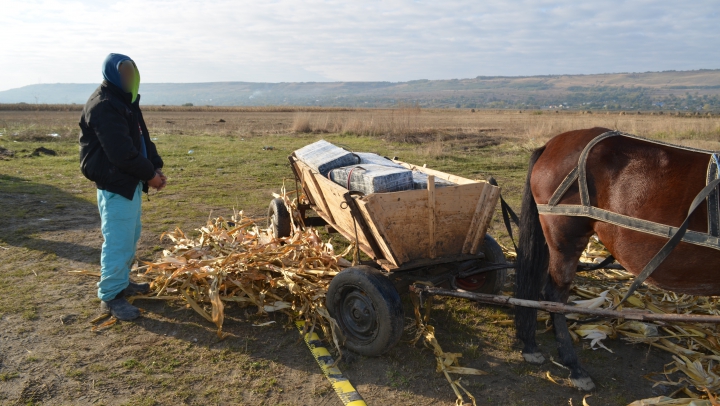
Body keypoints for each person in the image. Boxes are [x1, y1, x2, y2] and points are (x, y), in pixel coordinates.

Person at [79, 53, 167, 320]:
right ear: (112, 75)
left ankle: (122, 282)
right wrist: (149, 175)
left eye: (132, 73)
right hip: (115, 181)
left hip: (127, 179)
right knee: (118, 240)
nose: (129, 78)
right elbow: (120, 152)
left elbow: (141, 138)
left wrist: (154, 165)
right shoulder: (104, 105)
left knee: (130, 234)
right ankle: (110, 296)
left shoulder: (124, 101)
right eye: (124, 73)